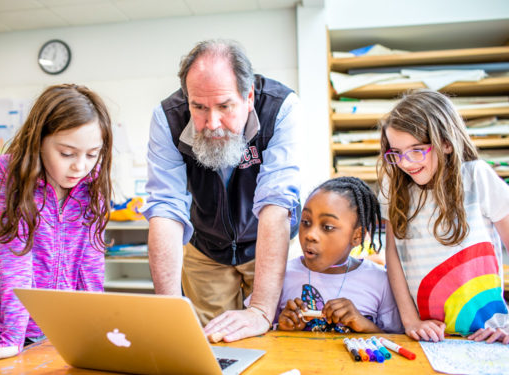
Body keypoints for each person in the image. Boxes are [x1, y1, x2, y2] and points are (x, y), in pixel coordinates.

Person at [141, 39, 301, 342]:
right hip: (205, 249)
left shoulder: (281, 108)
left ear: (249, 96)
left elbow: (277, 204)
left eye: (225, 107)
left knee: (275, 337)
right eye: (198, 107)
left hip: (267, 243)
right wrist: (169, 310)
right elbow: (165, 209)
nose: (212, 123)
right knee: (211, 346)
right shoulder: (167, 118)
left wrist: (262, 311)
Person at [0, 84, 113, 364]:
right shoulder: (7, 175)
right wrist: (13, 338)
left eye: (92, 154)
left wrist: (95, 328)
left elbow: (90, 265)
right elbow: (15, 258)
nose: (80, 167)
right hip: (3, 329)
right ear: (39, 141)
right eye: (66, 153)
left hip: (61, 330)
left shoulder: (92, 183)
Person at [378, 89, 509, 344]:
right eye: (396, 152)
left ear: (446, 143)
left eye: (417, 150)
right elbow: (392, 256)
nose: (405, 163)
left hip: (489, 334)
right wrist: (410, 321)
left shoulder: (476, 177)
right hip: (429, 336)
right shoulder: (393, 188)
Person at [277, 177, 403, 334]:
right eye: (306, 222)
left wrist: (364, 325)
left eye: (327, 227)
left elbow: (397, 341)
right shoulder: (281, 275)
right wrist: (281, 328)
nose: (310, 235)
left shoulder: (380, 281)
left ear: (357, 236)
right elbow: (261, 333)